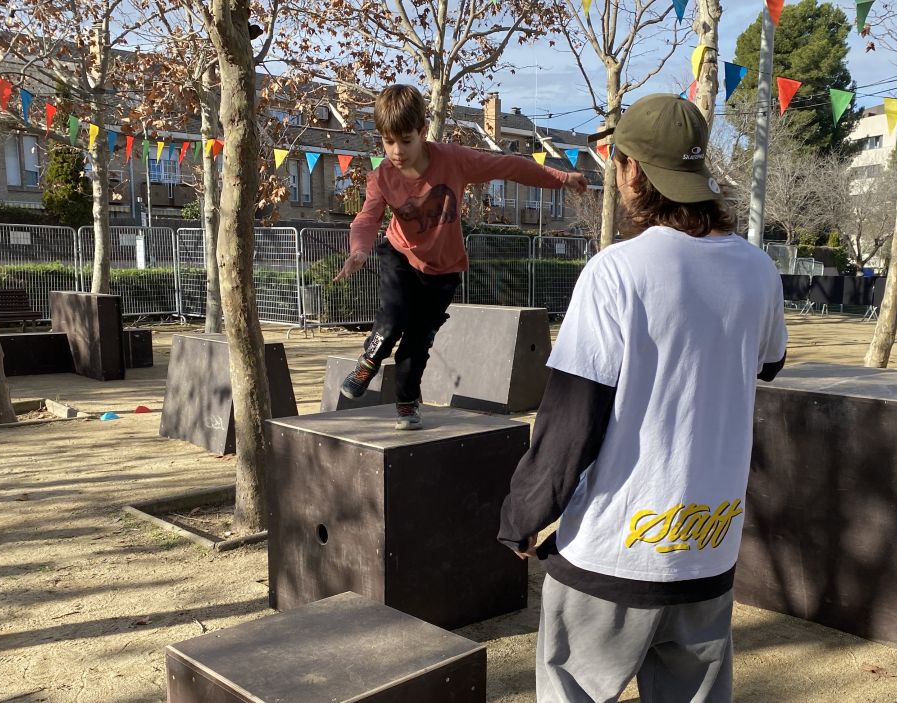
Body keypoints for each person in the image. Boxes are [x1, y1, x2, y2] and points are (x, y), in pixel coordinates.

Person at [497, 93, 788, 702]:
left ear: (633, 170)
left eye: (618, 160)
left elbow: (571, 417)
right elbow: (770, 364)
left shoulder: (616, 271)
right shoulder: (759, 270)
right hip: (708, 552)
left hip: (612, 555)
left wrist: (524, 514)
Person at [334, 84, 588, 430]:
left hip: (444, 269)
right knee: (392, 319)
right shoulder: (382, 178)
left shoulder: (453, 160)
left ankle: (406, 401)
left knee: (418, 342)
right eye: (388, 141)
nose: (396, 152)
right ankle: (369, 361)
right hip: (400, 256)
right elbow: (367, 218)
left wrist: (562, 178)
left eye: (406, 141)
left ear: (423, 131)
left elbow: (508, 166)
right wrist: (359, 250)